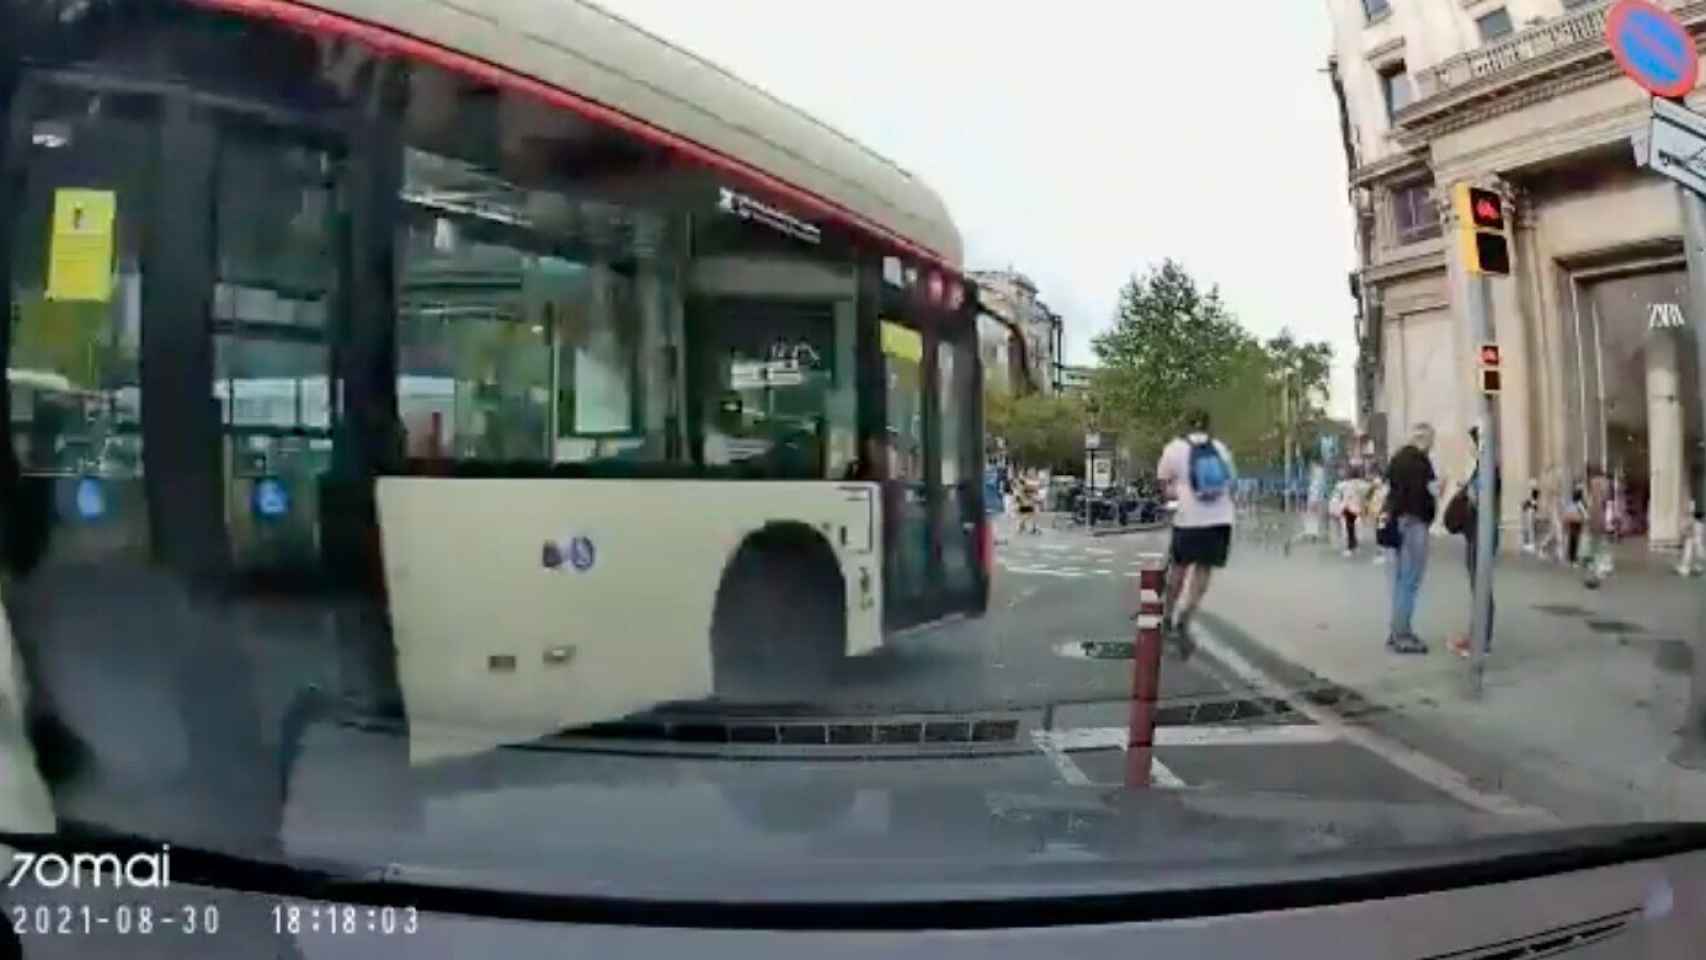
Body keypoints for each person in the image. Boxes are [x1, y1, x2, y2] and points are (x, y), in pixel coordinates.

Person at [1156, 409, 1236, 658]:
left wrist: (1175, 494)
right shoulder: (1220, 448)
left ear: (1184, 425)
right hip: (1220, 519)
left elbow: (1164, 484)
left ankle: (1167, 617)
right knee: (1203, 571)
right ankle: (1186, 617)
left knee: (1179, 568)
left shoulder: (1173, 449)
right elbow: (1231, 481)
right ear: (1208, 426)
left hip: (1189, 520)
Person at [1383, 423, 1438, 655]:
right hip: (1415, 524)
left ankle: (1395, 632)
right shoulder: (1422, 462)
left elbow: (1390, 488)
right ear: (1425, 440)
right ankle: (1403, 634)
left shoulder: (1396, 459)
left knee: (1399, 580)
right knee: (1410, 580)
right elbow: (1433, 491)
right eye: (1431, 441)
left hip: (1396, 524)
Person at [1448, 425, 1499, 658]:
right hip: (1476, 533)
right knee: (1478, 586)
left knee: (1481, 587)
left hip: (1481, 534)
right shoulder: (1482, 469)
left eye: (1473, 444)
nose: (1471, 449)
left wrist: (1467, 493)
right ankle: (1477, 636)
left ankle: (1481, 642)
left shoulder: (1487, 470)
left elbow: (1481, 500)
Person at [1334, 471, 1369, 557]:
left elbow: (1337, 496)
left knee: (1348, 529)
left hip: (1347, 509)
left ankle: (1350, 548)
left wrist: (1337, 508)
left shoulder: (1343, 485)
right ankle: (1354, 546)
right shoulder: (1362, 485)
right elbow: (1367, 491)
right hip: (1356, 509)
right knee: (1354, 529)